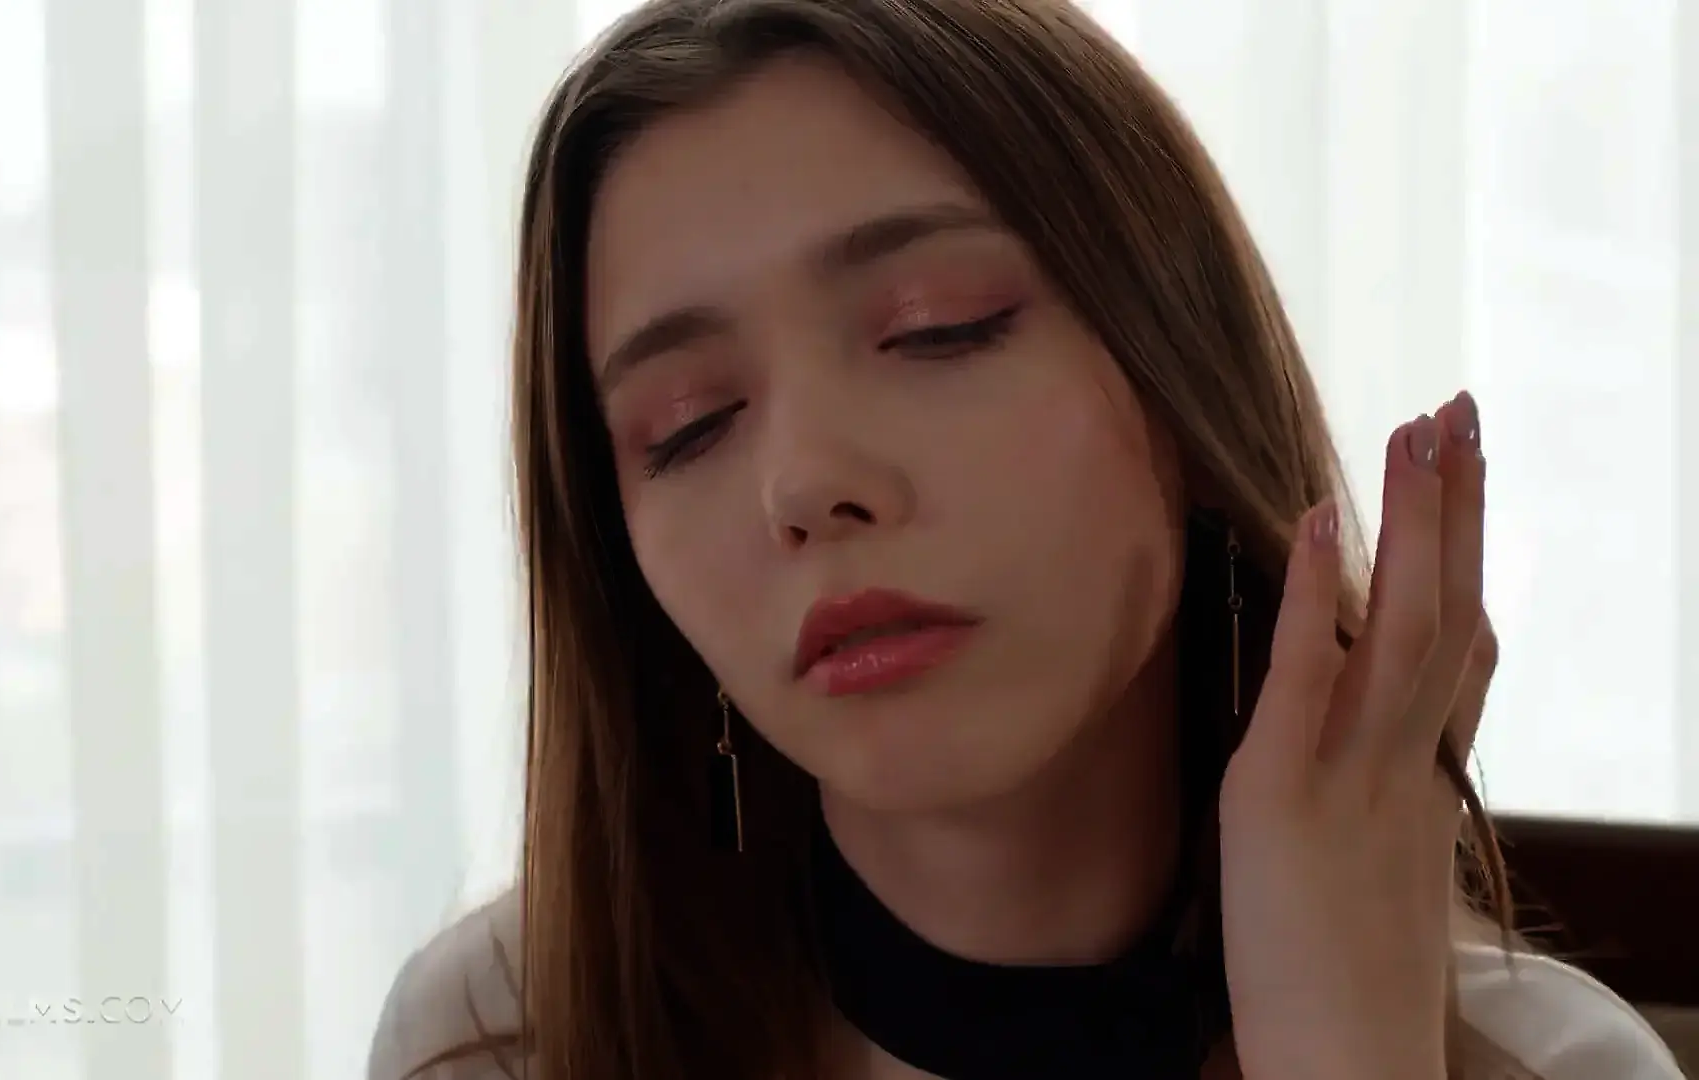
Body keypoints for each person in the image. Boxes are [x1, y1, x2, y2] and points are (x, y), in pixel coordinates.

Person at [369, 1, 1688, 1077]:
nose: (803, 483)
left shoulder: (1552, 1068)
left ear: (1183, 375)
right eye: (689, 424)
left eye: (938, 328)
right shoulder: (498, 1041)